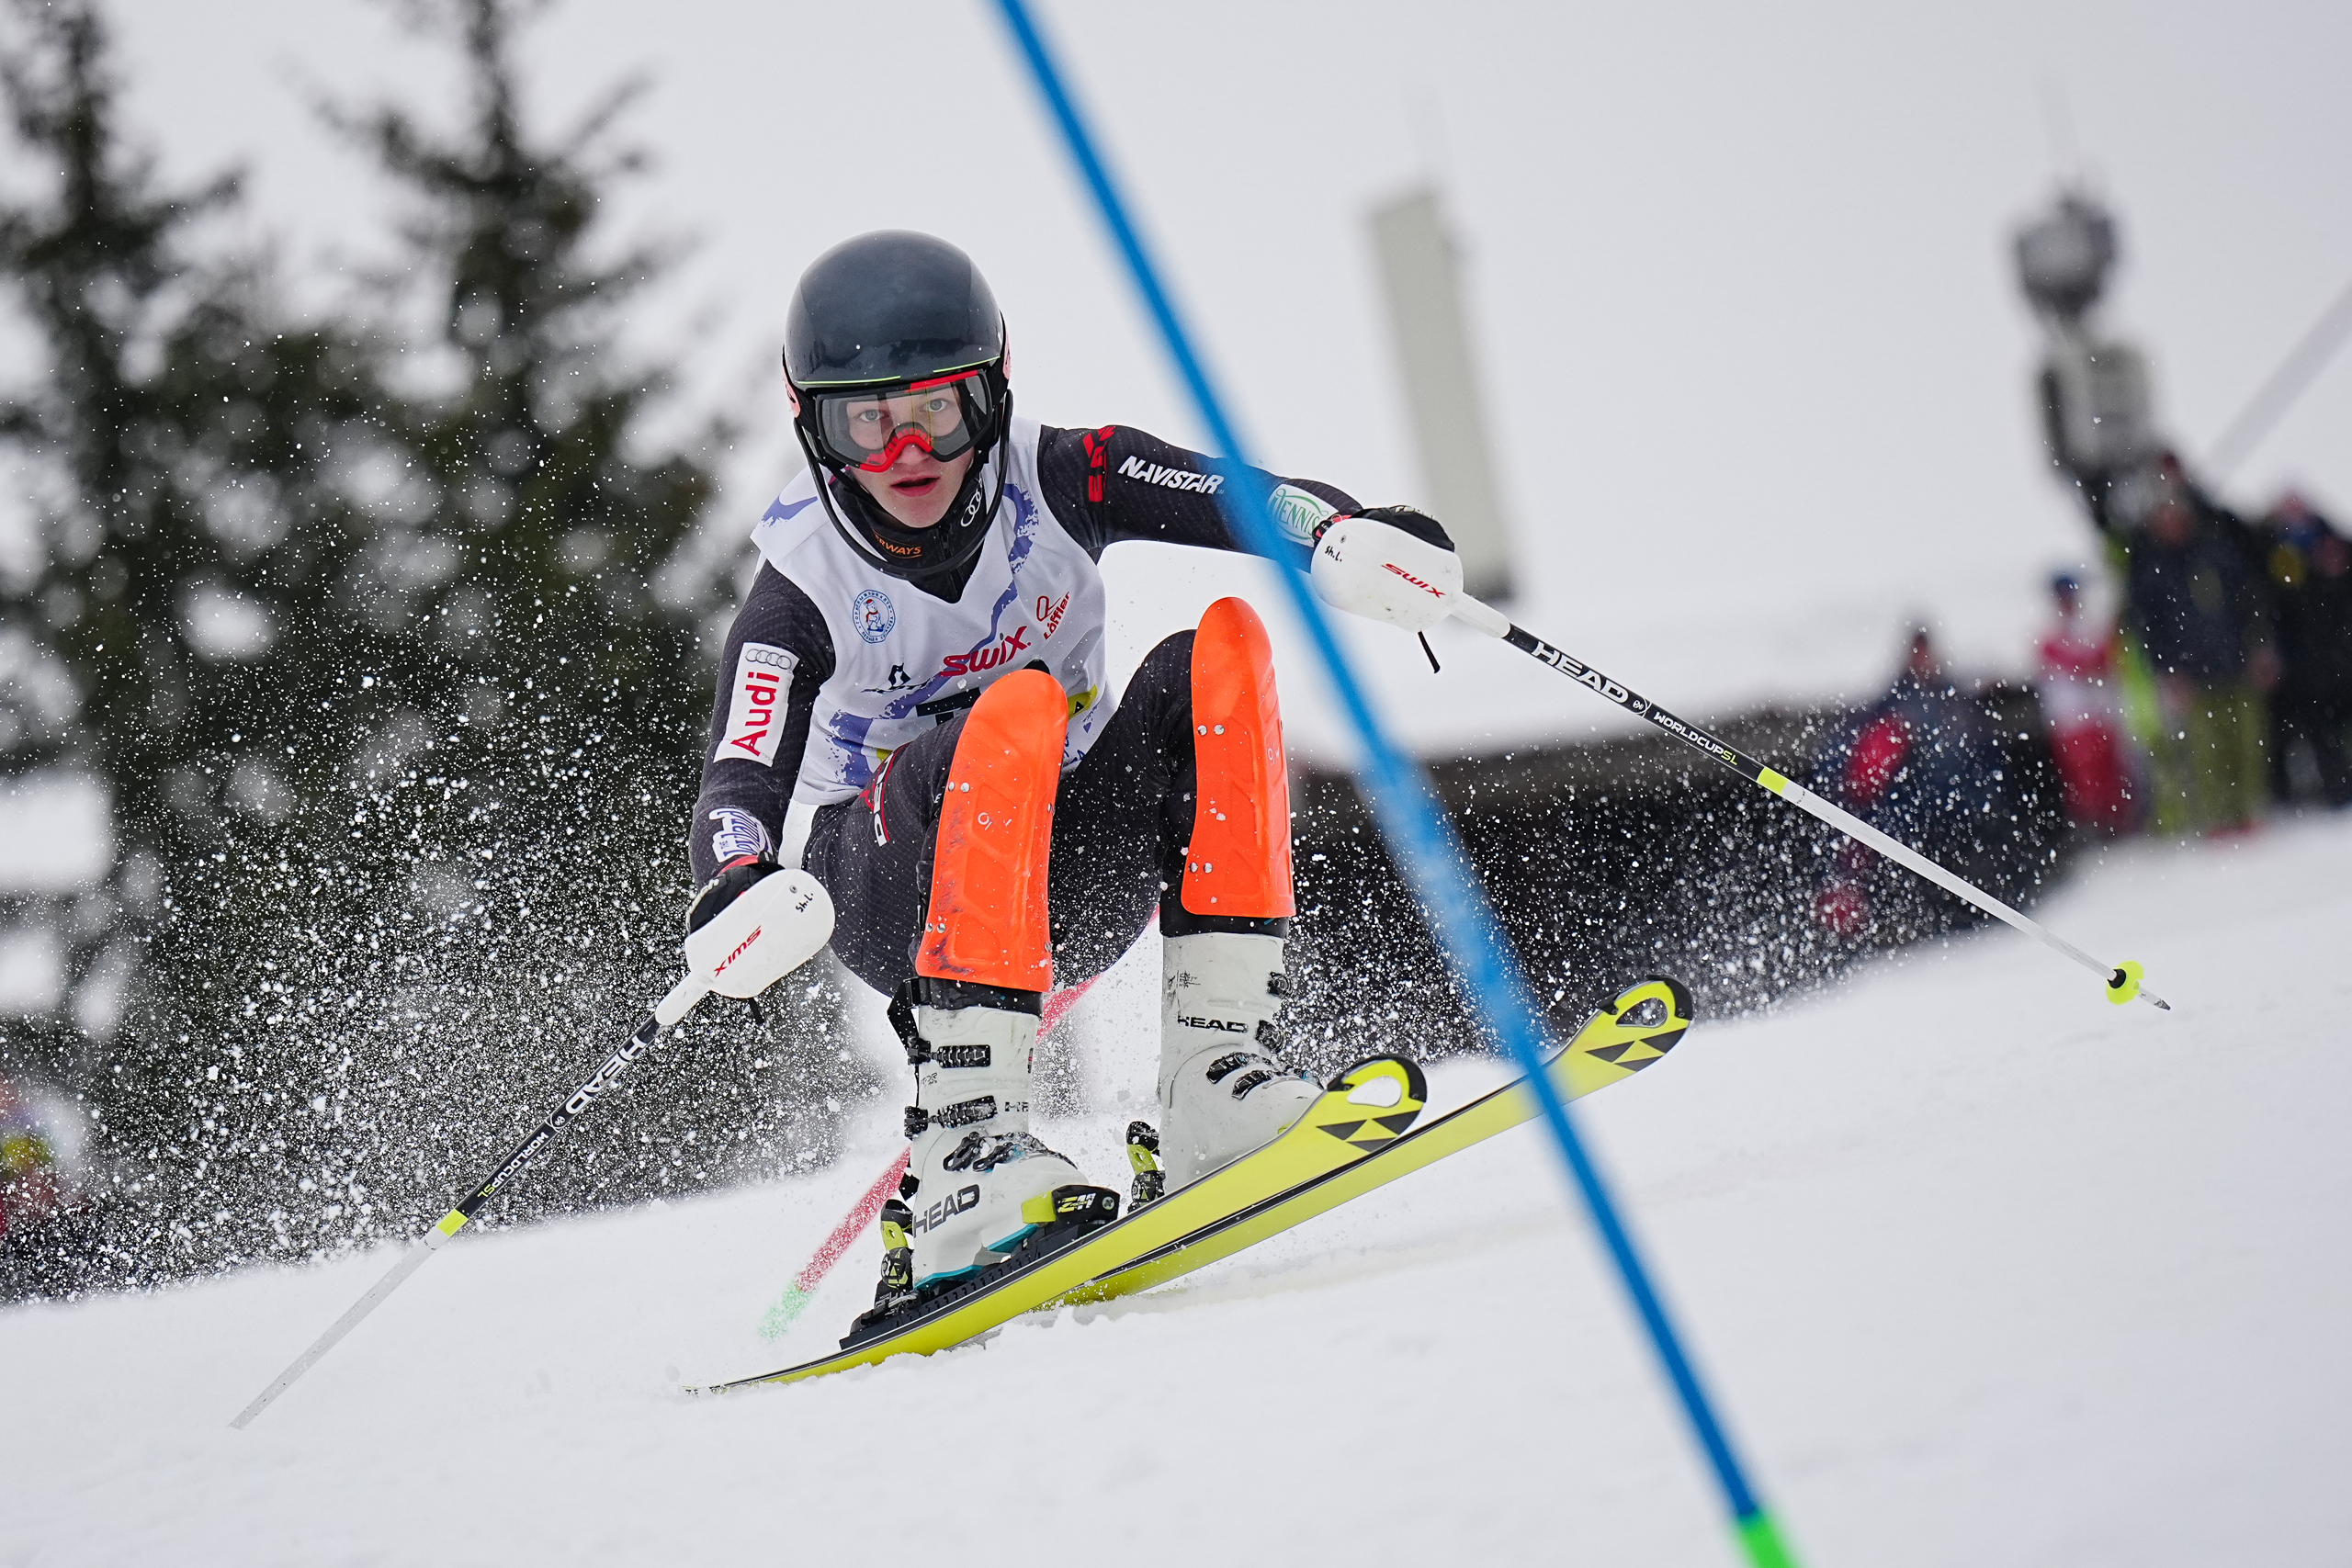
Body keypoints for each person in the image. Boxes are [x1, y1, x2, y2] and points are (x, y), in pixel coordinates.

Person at [680, 232, 1459, 1322]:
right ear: (812, 422)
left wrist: (1339, 532)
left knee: (1219, 657)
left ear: (992, 390)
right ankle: (966, 1155)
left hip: (1077, 874)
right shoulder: (800, 585)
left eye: (938, 409)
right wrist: (736, 877)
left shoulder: (1063, 474)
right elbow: (739, 770)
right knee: (1011, 716)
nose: (906, 450)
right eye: (866, 421)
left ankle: (1214, 1081)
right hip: (893, 892)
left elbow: (1233, 496)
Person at [1811, 628, 2008, 939]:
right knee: (1866, 841)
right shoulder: (1894, 701)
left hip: (1954, 804)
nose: (1923, 660)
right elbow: (1852, 747)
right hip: (1907, 804)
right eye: (1917, 654)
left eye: (1926, 653)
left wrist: (1981, 795)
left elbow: (1979, 752)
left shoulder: (1952, 699)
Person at [2125, 479, 2276, 835]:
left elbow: (2251, 602)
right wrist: (2166, 671)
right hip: (2192, 676)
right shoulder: (2151, 569)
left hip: (2236, 663)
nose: (2171, 522)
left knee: (2248, 744)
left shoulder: (2217, 552)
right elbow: (2148, 629)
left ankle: (2250, 810)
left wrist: (2260, 648)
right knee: (2207, 751)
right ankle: (2217, 817)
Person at [2263, 492, 2352, 807]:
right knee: (2316, 731)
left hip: (2338, 659)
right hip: (2307, 666)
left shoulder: (2333, 539)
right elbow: (2279, 609)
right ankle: (2335, 790)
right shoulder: (2275, 549)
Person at [2035, 573, 2136, 832]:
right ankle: (2093, 825)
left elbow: (2107, 655)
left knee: (2110, 770)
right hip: (2071, 718)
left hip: (2100, 712)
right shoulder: (2051, 632)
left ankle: (2117, 822)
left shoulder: (2089, 627)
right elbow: (2074, 660)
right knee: (2083, 776)